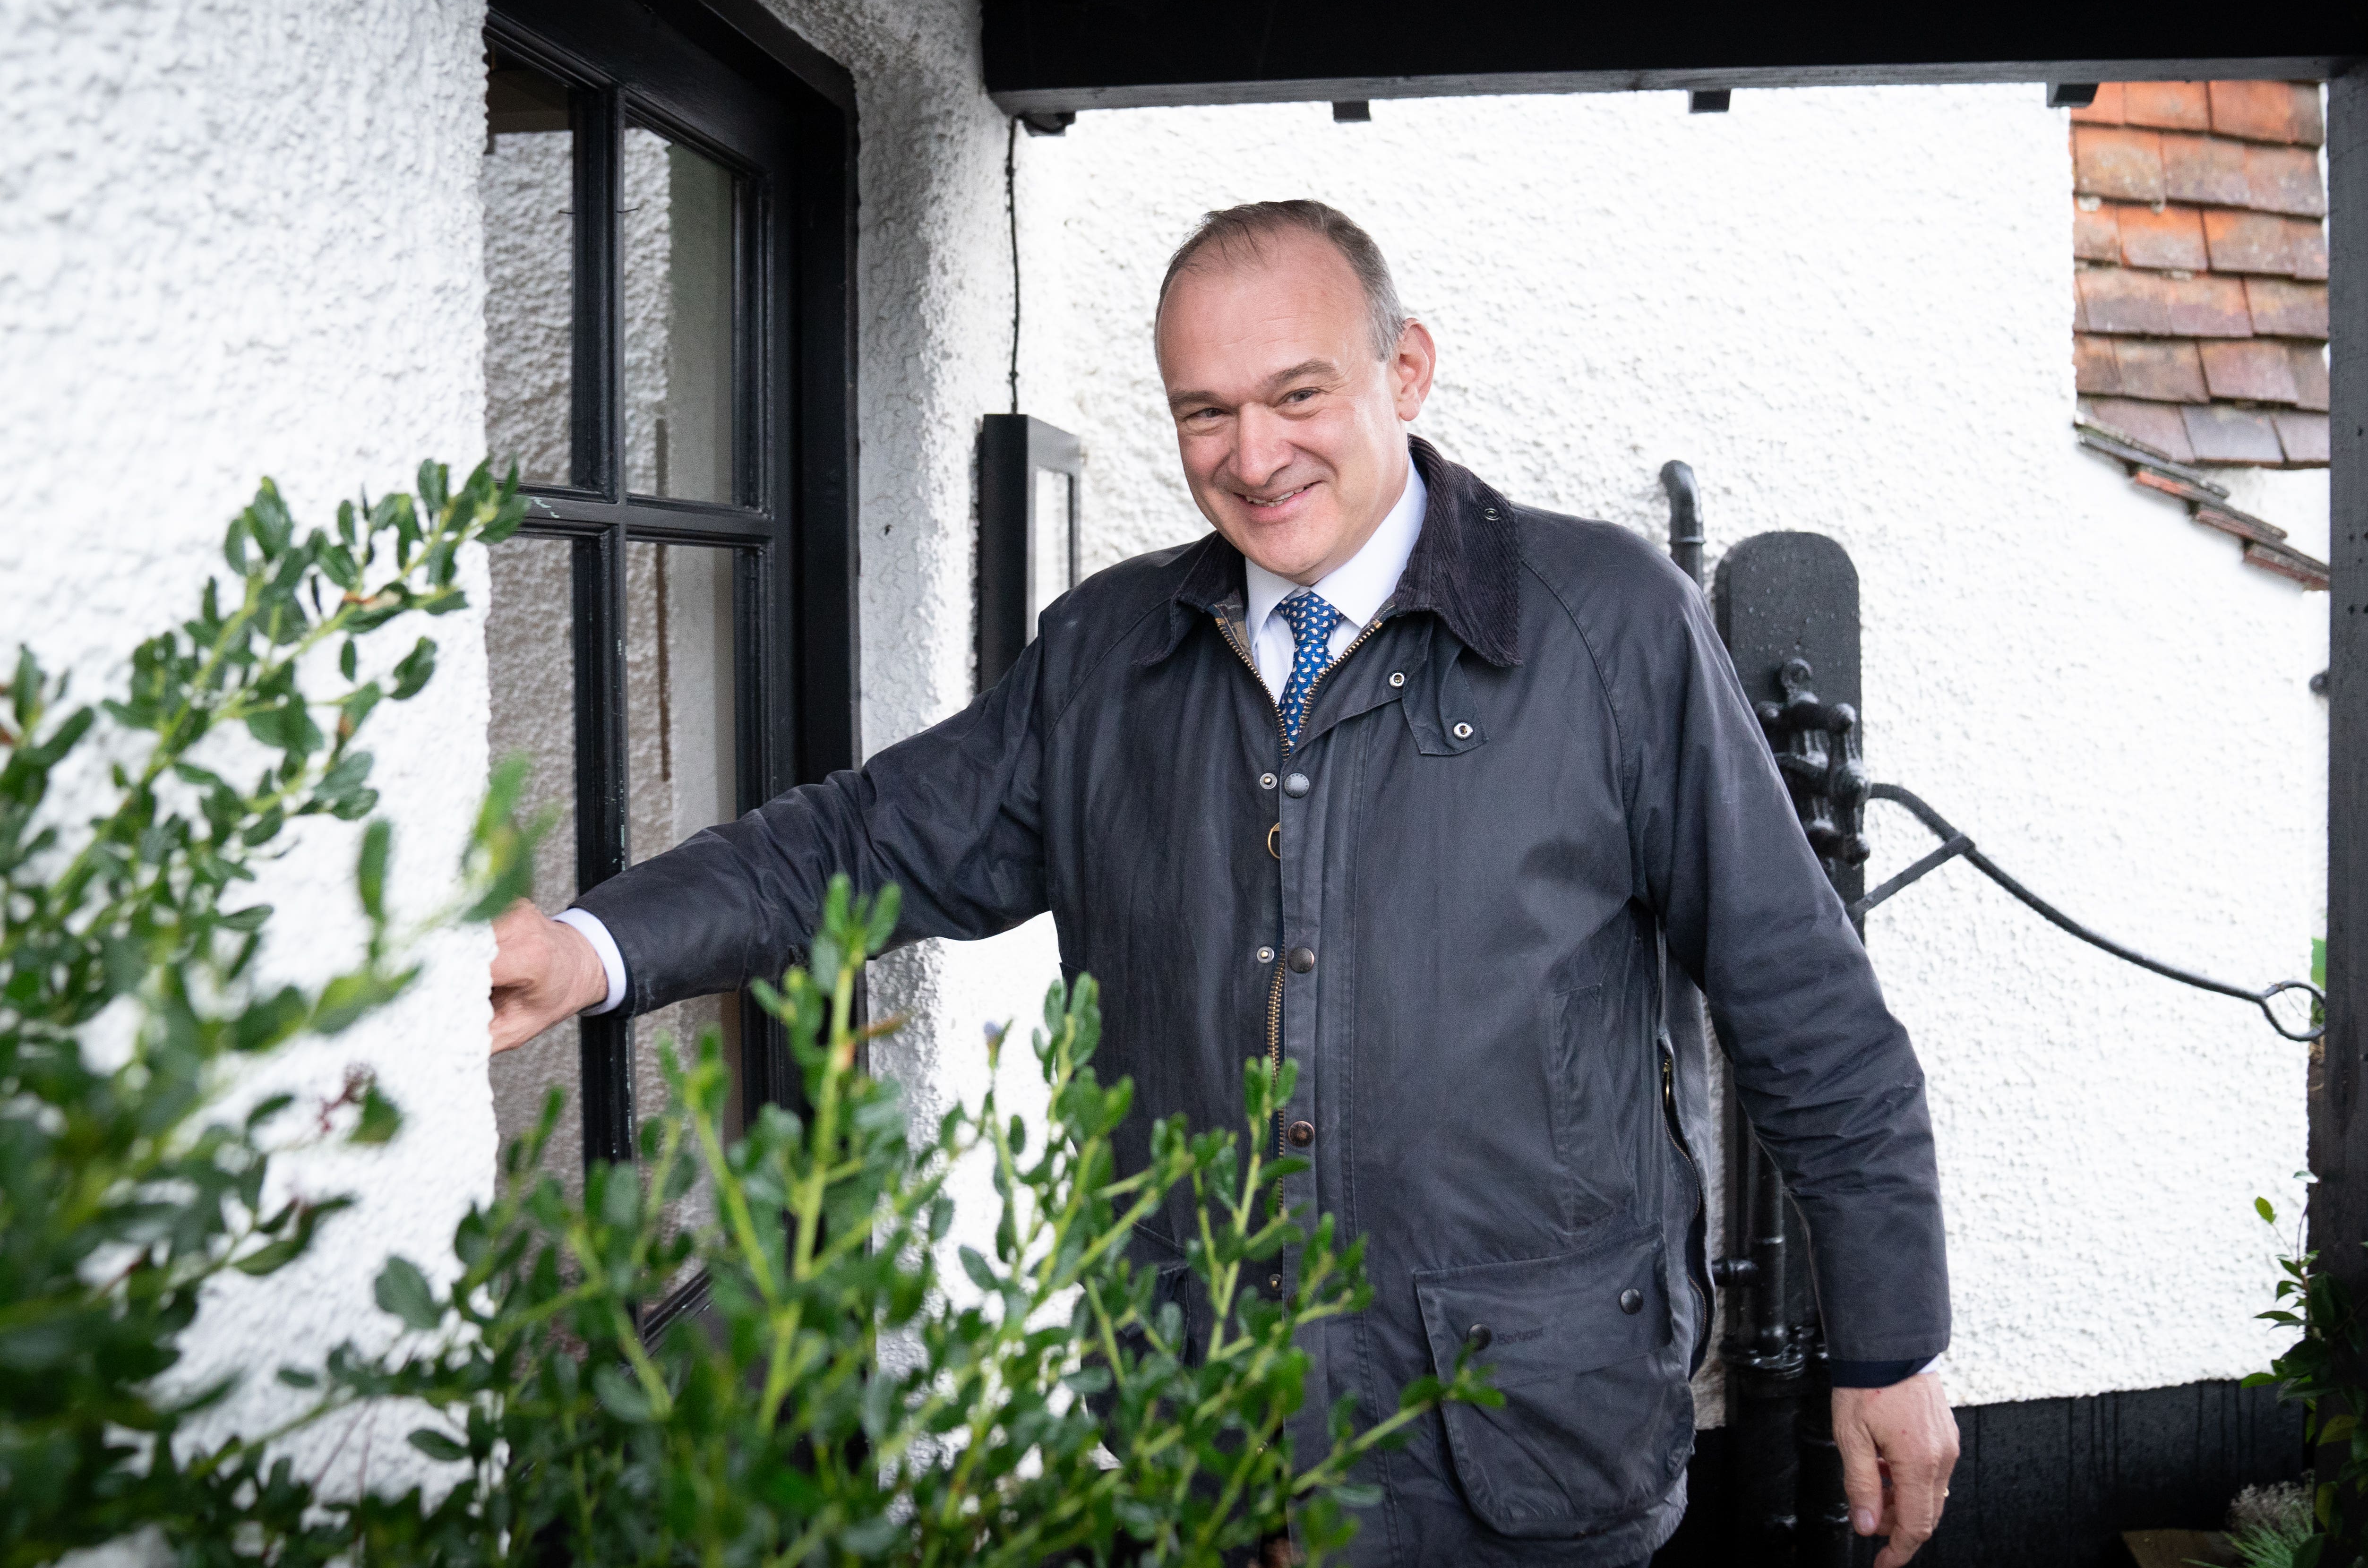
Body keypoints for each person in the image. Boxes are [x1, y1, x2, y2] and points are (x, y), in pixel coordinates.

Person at [488, 199, 1956, 1568]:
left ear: (1407, 368)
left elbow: (1800, 999)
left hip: (1533, 1434)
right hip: (1205, 1438)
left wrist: (1886, 1342)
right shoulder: (1107, 652)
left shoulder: (1611, 623)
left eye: (1297, 394)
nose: (1251, 456)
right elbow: (858, 841)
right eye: (1205, 410)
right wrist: (591, 945)